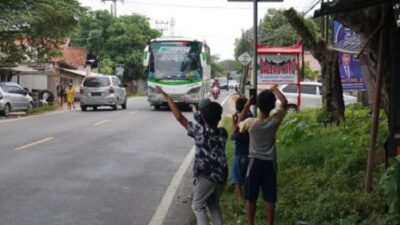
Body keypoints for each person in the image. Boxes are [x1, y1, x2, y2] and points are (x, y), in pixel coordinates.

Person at [155, 85, 228, 225]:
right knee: (213, 204)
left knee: (198, 206)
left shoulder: (200, 132)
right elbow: (204, 121)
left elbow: (179, 118)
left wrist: (168, 98)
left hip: (205, 176)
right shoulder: (223, 133)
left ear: (203, 117)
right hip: (222, 174)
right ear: (219, 118)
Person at [238, 84, 287, 225]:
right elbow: (284, 102)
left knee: (251, 197)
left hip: (254, 162)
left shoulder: (250, 122)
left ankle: (250, 223)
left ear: (257, 106)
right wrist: (274, 89)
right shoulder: (275, 121)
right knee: (270, 197)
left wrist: (247, 105)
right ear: (272, 106)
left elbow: (239, 124)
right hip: (270, 162)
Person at [230, 97, 253, 203]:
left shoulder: (243, 119)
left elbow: (234, 133)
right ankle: (248, 195)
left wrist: (233, 121)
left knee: (236, 176)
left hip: (240, 152)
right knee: (247, 175)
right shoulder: (251, 116)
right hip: (250, 151)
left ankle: (240, 199)